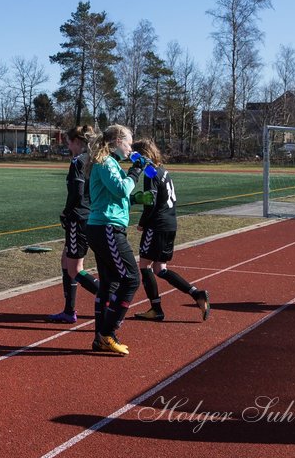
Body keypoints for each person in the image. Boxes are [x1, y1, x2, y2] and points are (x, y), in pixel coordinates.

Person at [129, 138, 210, 321]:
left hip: (157, 225)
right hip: (170, 223)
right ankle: (197, 293)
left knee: (144, 265)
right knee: (160, 268)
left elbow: (150, 201)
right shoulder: (163, 171)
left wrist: (142, 222)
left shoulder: (151, 174)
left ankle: (155, 309)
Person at [85, 124, 140, 356]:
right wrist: (135, 173)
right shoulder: (106, 162)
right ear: (117, 141)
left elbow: (115, 196)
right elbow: (119, 189)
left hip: (105, 226)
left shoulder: (110, 162)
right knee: (131, 278)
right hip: (106, 228)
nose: (131, 147)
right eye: (128, 142)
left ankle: (102, 337)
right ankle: (107, 333)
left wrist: (135, 199)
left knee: (110, 283)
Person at [47, 125, 101, 323]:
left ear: (77, 142)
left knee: (75, 267)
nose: (68, 147)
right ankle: (69, 310)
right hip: (91, 216)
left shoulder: (79, 162)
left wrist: (66, 212)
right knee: (66, 261)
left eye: (69, 143)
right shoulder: (96, 161)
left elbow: (77, 193)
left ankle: (107, 296)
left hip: (78, 218)